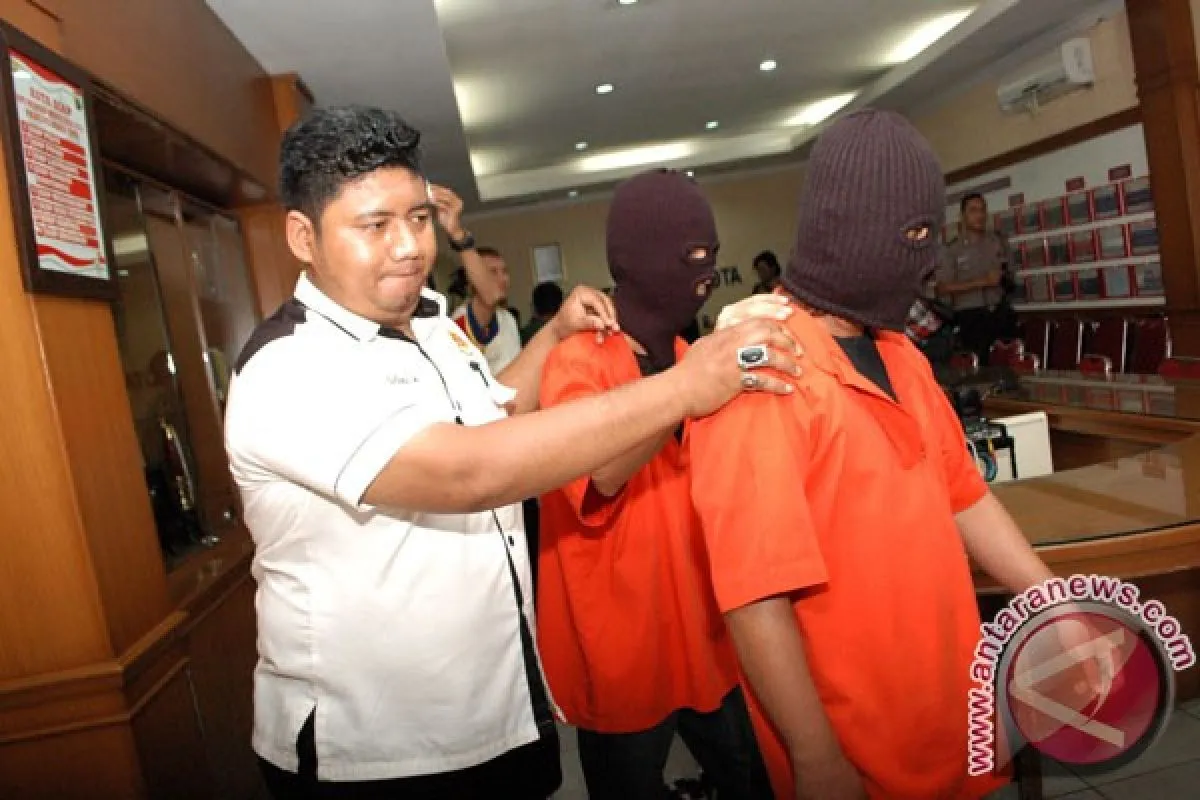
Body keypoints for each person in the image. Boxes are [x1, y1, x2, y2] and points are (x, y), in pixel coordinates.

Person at [223, 105, 801, 800]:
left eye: (417, 219)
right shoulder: (291, 367)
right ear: (303, 236)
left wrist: (551, 334)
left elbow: (494, 413)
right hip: (378, 750)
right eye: (375, 226)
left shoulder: (431, 324)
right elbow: (467, 470)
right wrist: (683, 386)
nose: (408, 246)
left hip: (494, 712)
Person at [689, 110, 1060, 800]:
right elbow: (755, 598)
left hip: (947, 715)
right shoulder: (764, 373)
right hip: (852, 746)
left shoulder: (900, 354)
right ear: (851, 229)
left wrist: (1053, 605)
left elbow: (965, 495)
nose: (928, 260)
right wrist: (816, 758)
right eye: (915, 237)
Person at [537, 170, 774, 800]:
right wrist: (684, 391)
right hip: (623, 644)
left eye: (712, 255)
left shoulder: (687, 352)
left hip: (706, 634)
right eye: (692, 256)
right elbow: (600, 473)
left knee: (755, 781)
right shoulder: (578, 361)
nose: (706, 273)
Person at [935, 192, 1015, 364]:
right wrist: (982, 282)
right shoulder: (952, 249)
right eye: (973, 210)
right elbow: (942, 288)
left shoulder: (998, 242)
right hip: (970, 316)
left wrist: (1004, 278)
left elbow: (1010, 276)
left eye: (982, 209)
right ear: (962, 216)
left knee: (1009, 366)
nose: (979, 215)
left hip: (1000, 312)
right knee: (979, 369)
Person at [448, 239, 523, 374]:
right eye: (492, 272)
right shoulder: (461, 322)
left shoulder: (508, 317)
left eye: (505, 271)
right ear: (474, 279)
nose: (503, 279)